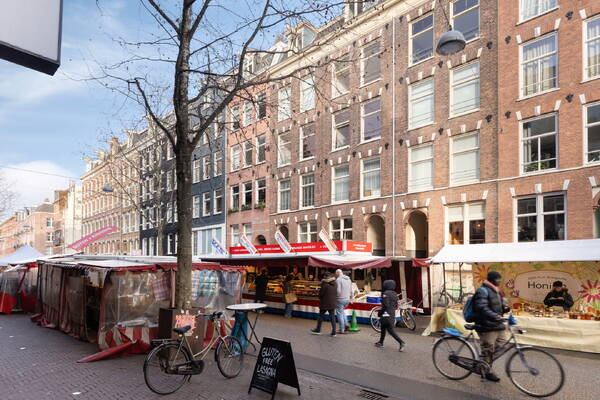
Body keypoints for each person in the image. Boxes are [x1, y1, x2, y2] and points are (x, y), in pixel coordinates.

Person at [472, 271, 510, 382]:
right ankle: (486, 371)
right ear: (492, 279)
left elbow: (496, 307)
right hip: (486, 325)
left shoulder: (496, 291)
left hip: (497, 324)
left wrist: (504, 309)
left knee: (503, 345)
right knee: (488, 349)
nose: (499, 281)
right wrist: (495, 316)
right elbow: (481, 307)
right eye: (498, 279)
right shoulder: (482, 290)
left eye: (500, 279)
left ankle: (482, 363)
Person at [374, 279, 405, 351]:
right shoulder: (395, 294)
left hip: (386, 314)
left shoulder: (385, 293)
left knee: (390, 331)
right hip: (392, 314)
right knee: (383, 327)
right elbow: (396, 305)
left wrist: (380, 312)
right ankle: (381, 342)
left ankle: (401, 342)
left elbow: (385, 305)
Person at [310, 272, 337, 336]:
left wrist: (319, 295)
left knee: (321, 316)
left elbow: (321, 294)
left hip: (325, 303)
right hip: (332, 302)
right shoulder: (335, 283)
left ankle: (318, 330)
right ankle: (334, 332)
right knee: (332, 317)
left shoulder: (324, 284)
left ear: (325, 277)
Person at [334, 269, 352, 334]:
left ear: (337, 273)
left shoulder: (338, 280)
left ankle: (341, 329)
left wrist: (336, 297)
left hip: (340, 299)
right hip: (347, 299)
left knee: (339, 314)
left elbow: (338, 291)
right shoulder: (349, 279)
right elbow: (351, 290)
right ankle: (346, 323)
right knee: (342, 311)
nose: (335, 274)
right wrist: (351, 298)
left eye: (335, 273)